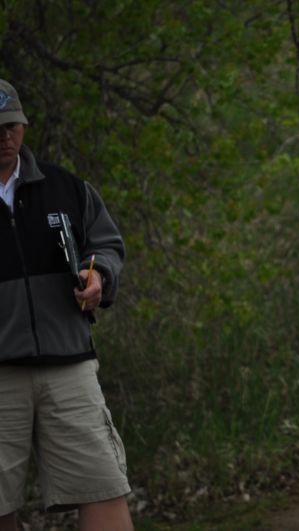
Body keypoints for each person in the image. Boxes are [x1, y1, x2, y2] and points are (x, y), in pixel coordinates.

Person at [0, 79, 133, 531]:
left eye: (12, 126)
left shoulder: (65, 187)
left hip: (70, 366)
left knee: (102, 489)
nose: (5, 138)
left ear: (23, 126)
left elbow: (107, 245)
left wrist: (99, 276)